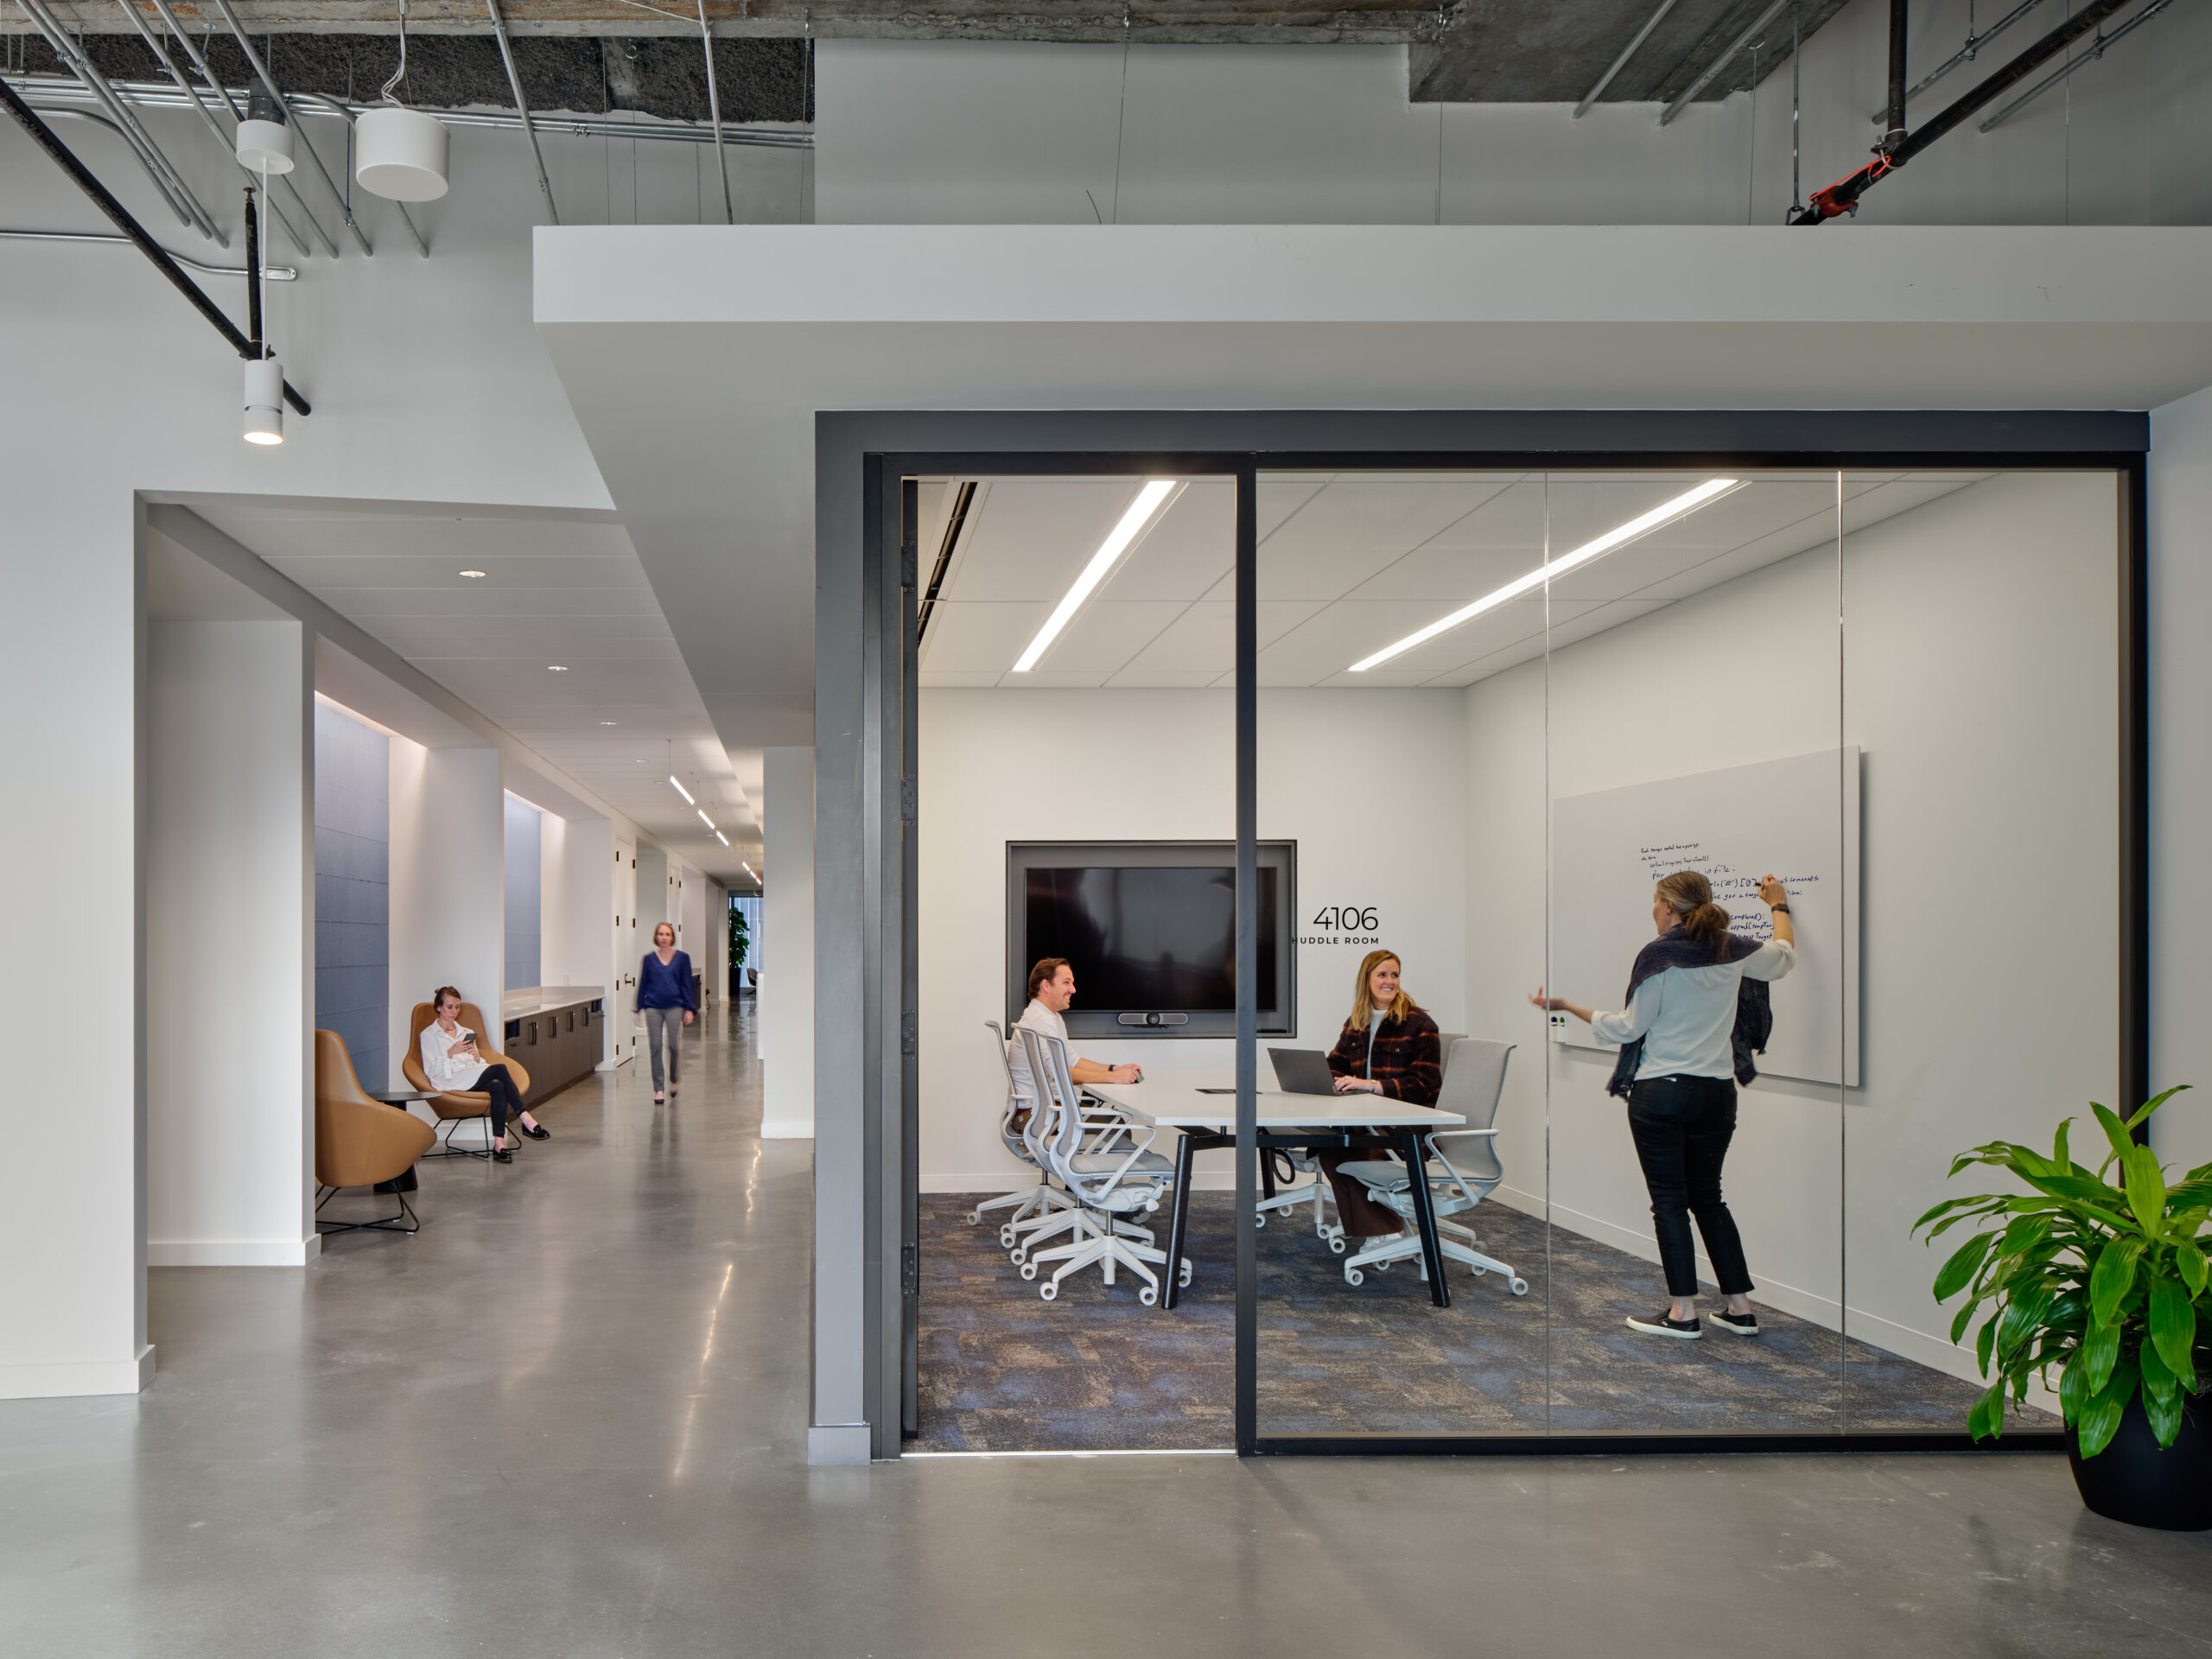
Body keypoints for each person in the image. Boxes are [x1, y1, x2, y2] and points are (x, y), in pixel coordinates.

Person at [1530, 869, 1796, 1340]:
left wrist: (1569, 1006)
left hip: (1663, 1093)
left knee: (1670, 1202)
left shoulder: (1660, 956)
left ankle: (1683, 1313)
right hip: (1717, 1094)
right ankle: (1739, 1308)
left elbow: (1629, 1027)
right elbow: (1784, 957)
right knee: (1709, 1199)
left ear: (1668, 907)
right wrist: (1777, 905)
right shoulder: (1732, 950)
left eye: (1655, 902)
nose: (1652, 910)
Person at [1317, 950, 1444, 1242]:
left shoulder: (1420, 1025)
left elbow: (1423, 1084)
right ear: (1367, 980)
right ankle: (1383, 1229)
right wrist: (1332, 1079)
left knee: (1361, 1151)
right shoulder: (1356, 1022)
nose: (1390, 981)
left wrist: (1370, 1084)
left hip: (1407, 1128)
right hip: (1366, 1121)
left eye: (1394, 975)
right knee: (1330, 1151)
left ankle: (1387, 1233)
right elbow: (1335, 1063)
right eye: (1382, 975)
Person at [418, 984, 546, 1164]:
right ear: (439, 1007)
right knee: (500, 1068)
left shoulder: (467, 1032)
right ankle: (526, 1118)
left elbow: (478, 1065)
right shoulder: (428, 1035)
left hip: (471, 1076)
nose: (454, 1012)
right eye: (450, 1007)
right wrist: (450, 1052)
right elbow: (430, 1070)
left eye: (457, 1007)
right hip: (449, 1080)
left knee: (498, 1086)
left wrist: (476, 1056)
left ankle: (499, 1144)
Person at [1004, 958, 1141, 1105]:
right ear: (1046, 985)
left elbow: (1073, 1062)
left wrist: (1114, 1069)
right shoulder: (1040, 1020)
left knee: (1106, 1112)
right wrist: (1113, 1077)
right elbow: (1058, 1073)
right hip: (1037, 1113)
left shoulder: (1051, 1017)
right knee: (1115, 1118)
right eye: (1066, 982)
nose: (1073, 989)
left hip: (1048, 1109)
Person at [637, 921, 696, 1104]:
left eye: (667, 934)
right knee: (655, 1046)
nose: (664, 937)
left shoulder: (682, 958)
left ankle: (674, 1079)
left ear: (672, 937)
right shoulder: (649, 959)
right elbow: (643, 984)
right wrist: (638, 1007)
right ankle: (659, 1088)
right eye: (661, 934)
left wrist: (689, 1009)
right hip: (653, 1007)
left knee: (674, 1045)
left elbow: (687, 985)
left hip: (675, 1006)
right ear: (656, 937)